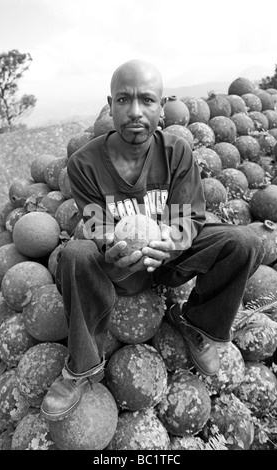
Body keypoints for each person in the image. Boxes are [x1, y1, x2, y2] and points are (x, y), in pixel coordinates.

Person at [41, 59, 264, 421]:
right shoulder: (84, 163)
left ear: (162, 106)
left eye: (146, 100)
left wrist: (171, 242)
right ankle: (82, 365)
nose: (135, 112)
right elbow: (95, 224)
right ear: (110, 104)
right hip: (120, 268)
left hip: (172, 259)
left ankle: (198, 322)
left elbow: (188, 217)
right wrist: (110, 246)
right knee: (75, 252)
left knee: (245, 241)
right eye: (124, 100)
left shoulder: (177, 151)